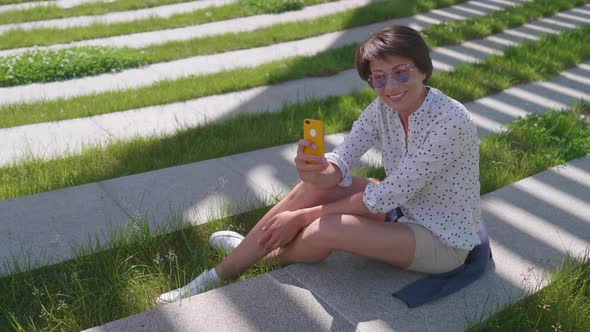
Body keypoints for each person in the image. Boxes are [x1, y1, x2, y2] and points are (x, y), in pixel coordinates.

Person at [156, 25, 482, 305]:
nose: (391, 87)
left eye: (402, 73)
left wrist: (300, 217)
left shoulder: (451, 122)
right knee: (314, 186)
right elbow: (341, 160)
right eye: (379, 79)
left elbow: (387, 196)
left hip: (441, 239)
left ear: (423, 69)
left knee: (325, 228)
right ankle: (218, 273)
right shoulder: (382, 109)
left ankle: (264, 255)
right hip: (403, 209)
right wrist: (315, 169)